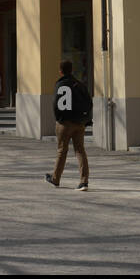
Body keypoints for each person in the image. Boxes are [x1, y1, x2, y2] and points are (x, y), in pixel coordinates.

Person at [45, 60, 91, 190]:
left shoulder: (60, 84)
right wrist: (86, 120)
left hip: (64, 122)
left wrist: (59, 119)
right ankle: (84, 181)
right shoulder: (80, 84)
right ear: (72, 70)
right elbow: (88, 103)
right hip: (79, 123)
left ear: (60, 71)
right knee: (80, 150)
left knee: (62, 150)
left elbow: (55, 103)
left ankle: (55, 179)